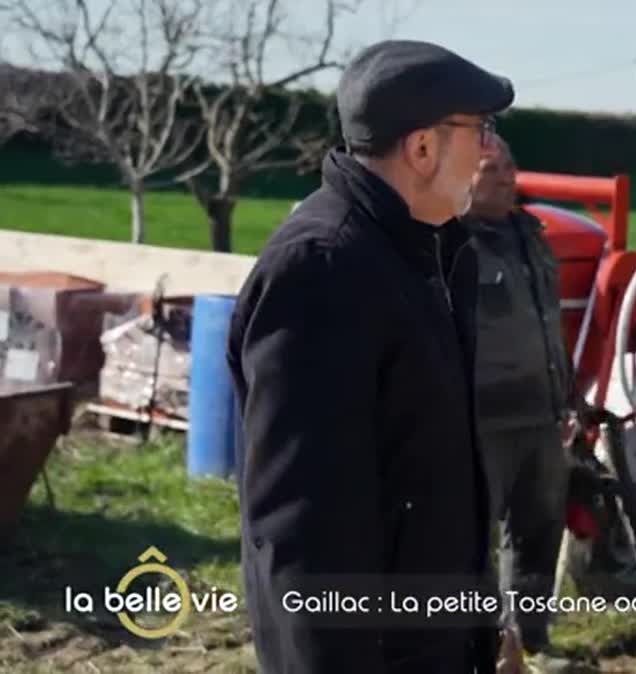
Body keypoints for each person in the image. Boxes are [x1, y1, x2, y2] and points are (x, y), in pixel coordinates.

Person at [226, 39, 514, 673]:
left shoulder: (432, 254)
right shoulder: (322, 271)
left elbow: (435, 478)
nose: (489, 151)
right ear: (421, 148)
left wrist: (484, 627)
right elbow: (302, 532)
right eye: (479, 130)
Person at [463, 136, 573, 663]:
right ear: (463, 174)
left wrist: (566, 401)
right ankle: (477, 647)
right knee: (470, 540)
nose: (508, 176)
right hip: (483, 421)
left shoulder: (531, 235)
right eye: (491, 168)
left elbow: (551, 325)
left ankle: (531, 641)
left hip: (543, 415)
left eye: (510, 165)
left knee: (539, 532)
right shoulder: (448, 243)